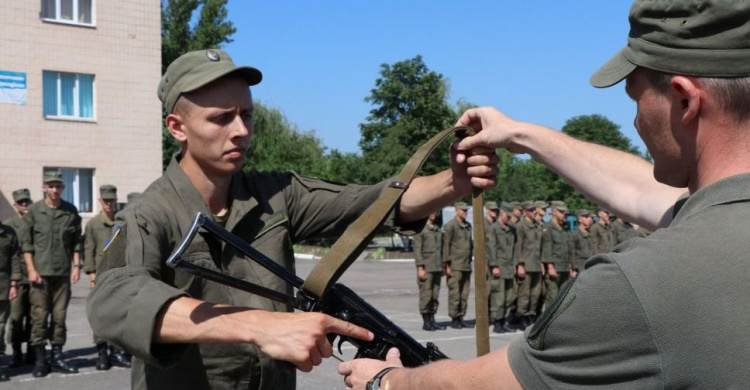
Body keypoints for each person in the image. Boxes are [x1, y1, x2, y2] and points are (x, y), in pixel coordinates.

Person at [339, 1, 750, 388]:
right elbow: (641, 192)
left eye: (636, 98)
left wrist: (388, 380)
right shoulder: (723, 226)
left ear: (684, 99)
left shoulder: (638, 284)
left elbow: (488, 385)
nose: (637, 121)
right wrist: (521, 134)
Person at [86, 49, 498, 390]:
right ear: (177, 127)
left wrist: (454, 181)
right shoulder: (147, 213)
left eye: (246, 115)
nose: (240, 130)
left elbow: (371, 204)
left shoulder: (277, 193)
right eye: (221, 118)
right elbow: (113, 302)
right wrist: (258, 326)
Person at [20, 171, 81, 377]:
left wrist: (77, 267)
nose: (55, 190)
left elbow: (76, 244)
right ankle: (40, 360)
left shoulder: (70, 211)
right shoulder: (34, 212)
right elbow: (26, 244)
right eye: (51, 186)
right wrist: (30, 269)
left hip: (62, 273)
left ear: (63, 187)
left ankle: (57, 357)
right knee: (39, 317)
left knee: (59, 317)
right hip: (40, 274)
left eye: (58, 186)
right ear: (44, 187)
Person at [83, 185, 132, 370]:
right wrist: (91, 274)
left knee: (118, 313)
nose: (109, 204)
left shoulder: (123, 221)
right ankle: (102, 354)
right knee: (101, 314)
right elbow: (88, 248)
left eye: (112, 200)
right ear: (100, 201)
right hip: (100, 274)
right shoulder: (93, 224)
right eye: (106, 201)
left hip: (119, 274)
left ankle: (118, 353)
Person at [3, 188, 34, 368]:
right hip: (16, 279)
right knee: (15, 317)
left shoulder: (35, 222)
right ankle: (16, 352)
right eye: (20, 202)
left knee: (34, 317)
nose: (24, 205)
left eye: (26, 201)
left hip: (34, 277)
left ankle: (31, 351)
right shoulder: (8, 225)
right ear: (14, 205)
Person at [441, 202, 474, 329]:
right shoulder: (450, 226)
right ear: (456, 211)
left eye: (466, 210)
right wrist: (447, 265)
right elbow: (446, 245)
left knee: (464, 293)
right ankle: (454, 317)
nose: (465, 212)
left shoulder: (468, 226)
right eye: (463, 210)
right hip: (455, 264)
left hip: (466, 264)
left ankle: (461, 316)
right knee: (455, 293)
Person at [412, 212, 445, 331]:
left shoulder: (437, 229)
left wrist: (442, 265)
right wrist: (420, 267)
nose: (433, 214)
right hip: (426, 267)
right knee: (426, 295)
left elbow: (441, 249)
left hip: (436, 267)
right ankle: (426, 321)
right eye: (431, 211)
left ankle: (432, 319)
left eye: (435, 211)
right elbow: (417, 249)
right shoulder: (420, 230)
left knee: (435, 295)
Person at [512, 201, 542, 329]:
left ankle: (531, 314)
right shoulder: (521, 226)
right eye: (531, 210)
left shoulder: (537, 225)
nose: (534, 211)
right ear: (525, 212)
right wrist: (520, 264)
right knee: (524, 293)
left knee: (535, 293)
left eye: (535, 209)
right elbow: (518, 246)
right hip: (526, 263)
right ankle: (522, 316)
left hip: (536, 263)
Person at [487, 202, 516, 333]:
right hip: (499, 266)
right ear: (502, 213)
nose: (509, 218)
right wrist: (494, 266)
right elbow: (492, 248)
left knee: (509, 296)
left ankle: (504, 320)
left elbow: (514, 248)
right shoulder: (494, 228)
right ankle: (498, 323)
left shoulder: (511, 229)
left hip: (509, 267)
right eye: (507, 216)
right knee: (499, 296)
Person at [0, 219, 21, 382]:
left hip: (3, 285)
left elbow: (14, 258)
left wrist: (14, 282)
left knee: (0, 326)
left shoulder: (8, 232)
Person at [540, 200, 571, 309]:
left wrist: (571, 266)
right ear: (553, 212)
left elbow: (568, 247)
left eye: (565, 212)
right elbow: (547, 248)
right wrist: (550, 266)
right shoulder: (548, 227)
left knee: (563, 295)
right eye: (561, 212)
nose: (564, 214)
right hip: (554, 267)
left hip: (564, 267)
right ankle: (548, 323)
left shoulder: (565, 227)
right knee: (553, 296)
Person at [570, 209, 594, 277]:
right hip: (580, 264)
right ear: (580, 219)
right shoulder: (575, 234)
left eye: (589, 217)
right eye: (586, 217)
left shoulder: (590, 233)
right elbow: (572, 252)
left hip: (590, 263)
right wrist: (574, 268)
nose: (589, 219)